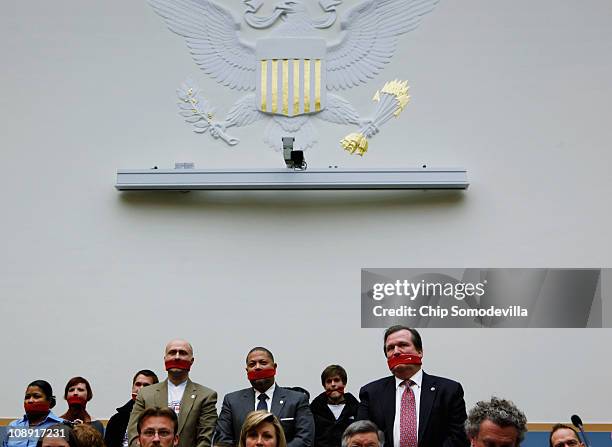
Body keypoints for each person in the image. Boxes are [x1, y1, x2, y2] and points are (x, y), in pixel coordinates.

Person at [357, 325, 468, 447]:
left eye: (403, 345)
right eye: (390, 348)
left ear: (420, 352)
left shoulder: (449, 390)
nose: (396, 352)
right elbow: (362, 438)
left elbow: (458, 437)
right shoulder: (370, 393)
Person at [214, 347, 314, 447]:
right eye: (252, 364)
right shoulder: (232, 401)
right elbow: (223, 439)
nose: (257, 367)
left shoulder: (297, 400)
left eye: (263, 363)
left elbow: (305, 439)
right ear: (247, 370)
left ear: (274, 367)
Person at [127, 339, 218, 447]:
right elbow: (134, 434)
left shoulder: (206, 396)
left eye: (183, 353)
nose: (177, 357)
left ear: (192, 361)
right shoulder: (145, 394)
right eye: (172, 352)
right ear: (165, 359)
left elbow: (205, 438)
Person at [105, 369, 159, 447]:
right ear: (132, 387)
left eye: (146, 385)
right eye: (138, 384)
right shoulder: (117, 420)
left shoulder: (161, 418)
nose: (140, 389)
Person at [3, 380, 64, 447]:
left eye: (36, 396)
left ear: (49, 400)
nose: (30, 401)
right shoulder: (14, 425)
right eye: (27, 397)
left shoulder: (62, 426)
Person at [310, 365, 359, 447]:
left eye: (336, 380)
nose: (333, 384)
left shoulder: (357, 409)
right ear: (324, 386)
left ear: (344, 383)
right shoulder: (314, 410)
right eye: (329, 381)